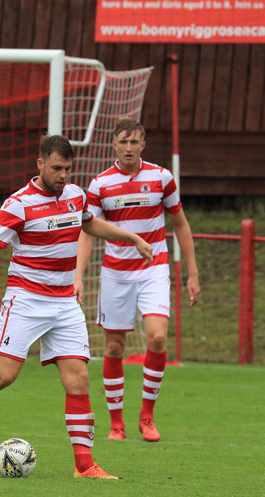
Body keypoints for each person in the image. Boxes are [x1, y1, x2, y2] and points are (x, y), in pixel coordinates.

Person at [0, 135, 153, 479]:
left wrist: (132, 237)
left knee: (79, 380)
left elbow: (89, 223)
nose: (63, 175)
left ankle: (85, 466)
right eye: (56, 168)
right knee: (2, 377)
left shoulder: (75, 196)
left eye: (68, 169)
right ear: (40, 165)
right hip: (26, 299)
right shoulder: (18, 204)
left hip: (65, 302)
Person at [75, 117, 200, 442]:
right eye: (123, 141)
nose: (129, 147)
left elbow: (181, 224)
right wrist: (77, 276)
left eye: (135, 142)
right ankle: (116, 424)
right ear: (114, 145)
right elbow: (87, 233)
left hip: (153, 269)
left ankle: (147, 417)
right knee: (115, 347)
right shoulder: (100, 184)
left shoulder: (161, 178)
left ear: (142, 145)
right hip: (115, 274)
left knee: (157, 339)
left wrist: (192, 273)